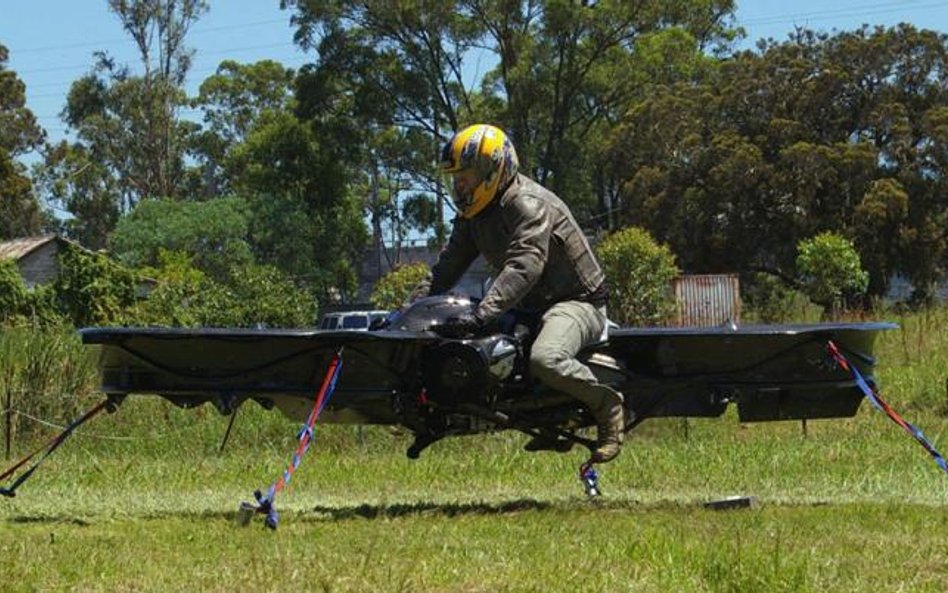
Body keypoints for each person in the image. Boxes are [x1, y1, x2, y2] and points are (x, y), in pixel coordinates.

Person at [413, 123, 625, 463]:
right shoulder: (473, 215)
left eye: (465, 177)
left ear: (492, 170)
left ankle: (608, 407)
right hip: (528, 306)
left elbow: (525, 265)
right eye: (454, 179)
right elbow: (445, 270)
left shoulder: (528, 204)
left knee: (546, 359)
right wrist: (407, 315)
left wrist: (483, 314)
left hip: (576, 302)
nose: (458, 186)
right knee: (486, 356)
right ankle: (548, 420)